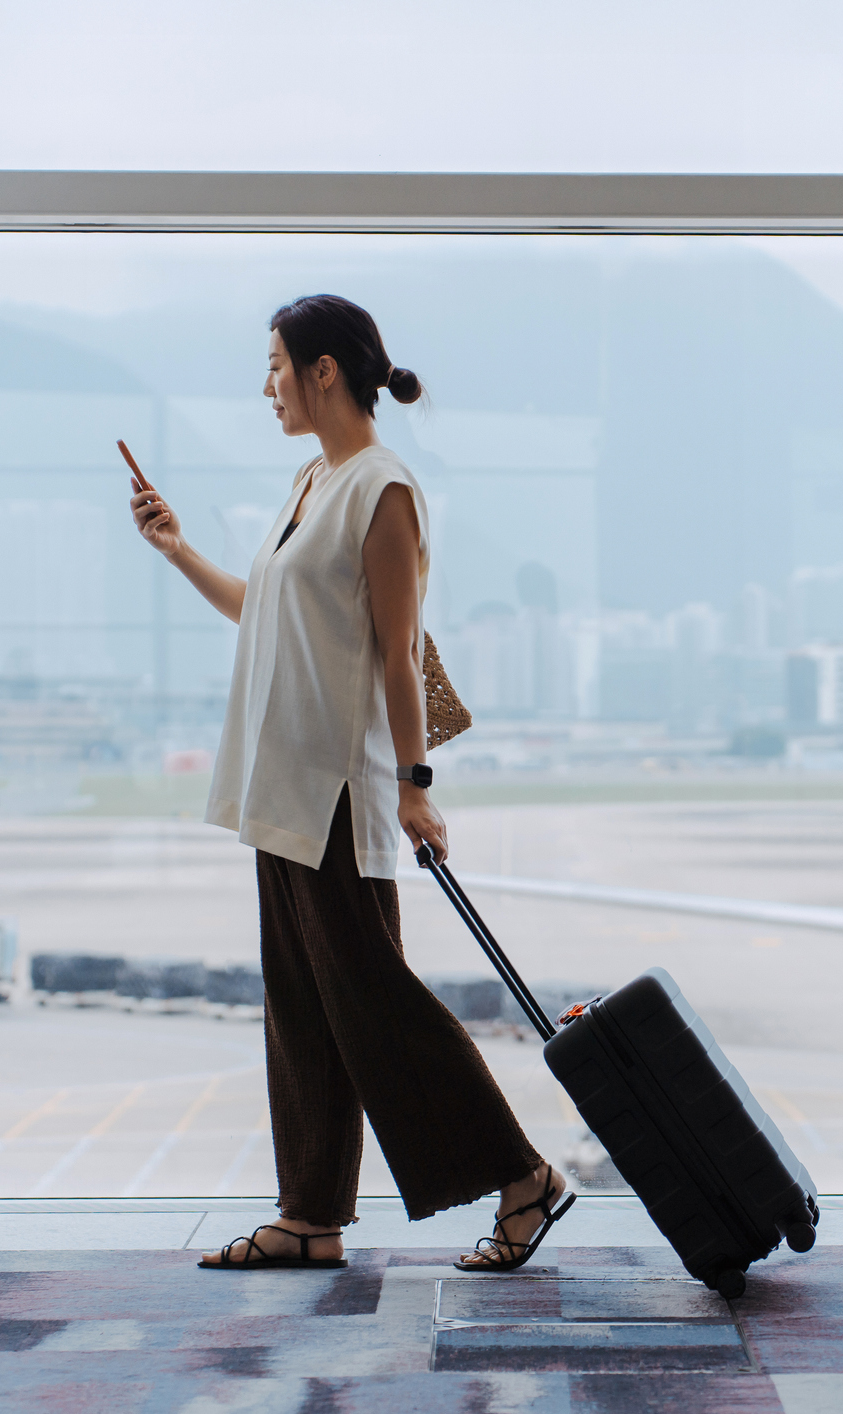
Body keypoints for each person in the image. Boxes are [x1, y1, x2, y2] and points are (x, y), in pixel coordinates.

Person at [127, 294, 573, 1273]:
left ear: (324, 369)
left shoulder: (382, 490)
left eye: (278, 364)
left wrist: (415, 783)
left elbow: (397, 651)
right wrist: (178, 548)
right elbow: (268, 613)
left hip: (338, 788)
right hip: (279, 787)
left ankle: (524, 1176)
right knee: (301, 1004)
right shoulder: (310, 482)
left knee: (372, 997)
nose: (268, 383)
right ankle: (311, 1214)